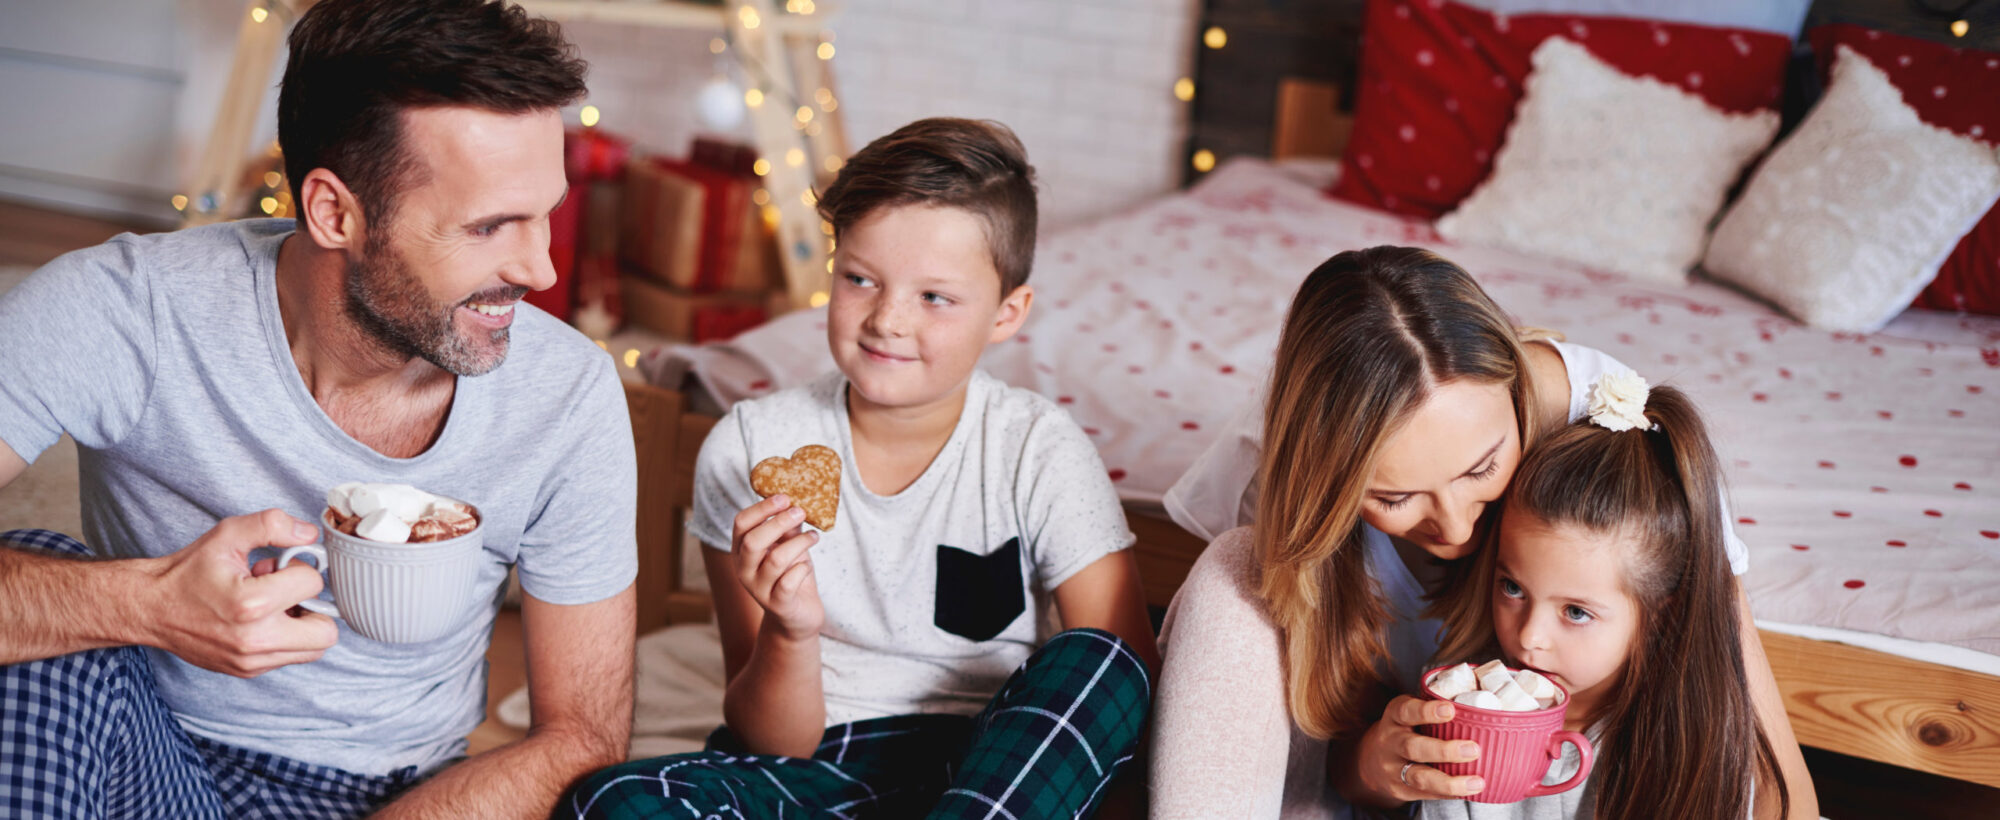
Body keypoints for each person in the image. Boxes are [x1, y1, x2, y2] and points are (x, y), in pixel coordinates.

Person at [0, 1, 636, 817]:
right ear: (335, 212)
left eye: (545, 211)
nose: (543, 269)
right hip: (142, 752)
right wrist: (143, 605)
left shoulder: (568, 394)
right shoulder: (128, 308)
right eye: (488, 227)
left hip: (403, 798)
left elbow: (583, 737)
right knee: (44, 594)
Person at [558, 118, 1160, 819]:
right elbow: (772, 741)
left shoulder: (1039, 451)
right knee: (614, 800)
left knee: (1105, 662)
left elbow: (1122, 695)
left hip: (997, 767)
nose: (887, 320)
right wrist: (791, 629)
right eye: (861, 280)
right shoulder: (752, 448)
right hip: (822, 771)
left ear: (1007, 313)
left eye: (934, 297)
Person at [1147, 247, 1816, 818]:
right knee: (1230, 572)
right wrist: (1378, 768)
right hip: (1366, 786)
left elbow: (1769, 766)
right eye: (1395, 496)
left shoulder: (1626, 445)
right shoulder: (1273, 484)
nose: (1459, 524)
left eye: (1482, 468)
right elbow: (1304, 749)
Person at [1419, 377, 1786, 819]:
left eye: (1575, 612)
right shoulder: (1459, 708)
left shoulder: (1695, 749)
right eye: (1512, 588)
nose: (1529, 637)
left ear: (1658, 619)